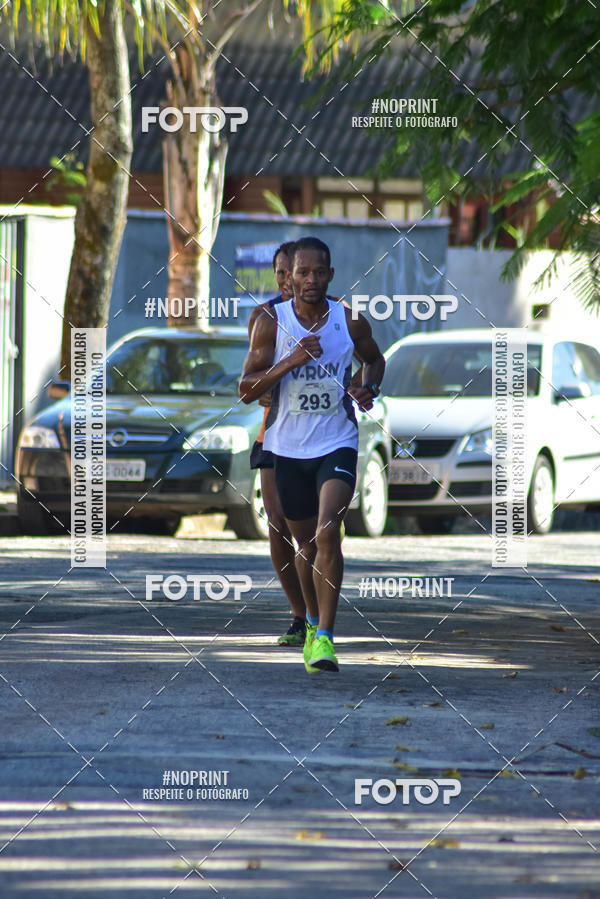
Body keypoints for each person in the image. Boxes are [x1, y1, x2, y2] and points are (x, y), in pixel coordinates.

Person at [240, 236, 385, 673]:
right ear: (289, 276)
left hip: (336, 441)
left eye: (319, 273)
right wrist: (290, 361)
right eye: (302, 273)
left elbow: (374, 359)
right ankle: (308, 621)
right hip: (286, 447)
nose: (310, 280)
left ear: (331, 275)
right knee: (301, 543)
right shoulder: (270, 320)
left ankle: (325, 637)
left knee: (327, 533)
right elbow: (246, 390)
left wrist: (368, 386)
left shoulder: (350, 319)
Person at [247, 242, 307, 647]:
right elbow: (252, 379)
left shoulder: (334, 313)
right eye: (281, 273)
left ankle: (320, 612)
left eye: (295, 272)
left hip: (322, 436)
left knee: (316, 532)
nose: (288, 280)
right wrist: (269, 383)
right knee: (277, 526)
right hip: (272, 434)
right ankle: (299, 615)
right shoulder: (264, 316)